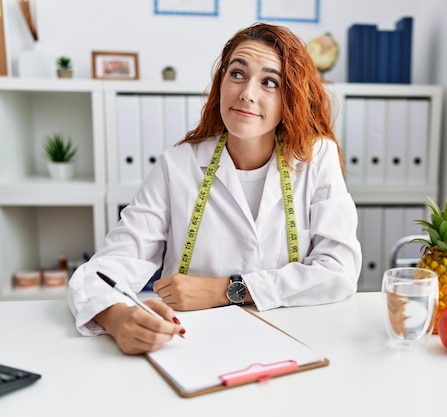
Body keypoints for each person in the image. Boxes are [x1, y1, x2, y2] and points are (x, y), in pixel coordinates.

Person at [67, 23, 362, 355]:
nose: (247, 93)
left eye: (269, 82)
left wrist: (228, 290)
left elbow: (339, 272)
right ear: (221, 83)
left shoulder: (315, 157)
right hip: (195, 347)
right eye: (237, 74)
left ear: (290, 97)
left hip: (295, 342)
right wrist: (116, 317)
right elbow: (103, 272)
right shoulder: (177, 166)